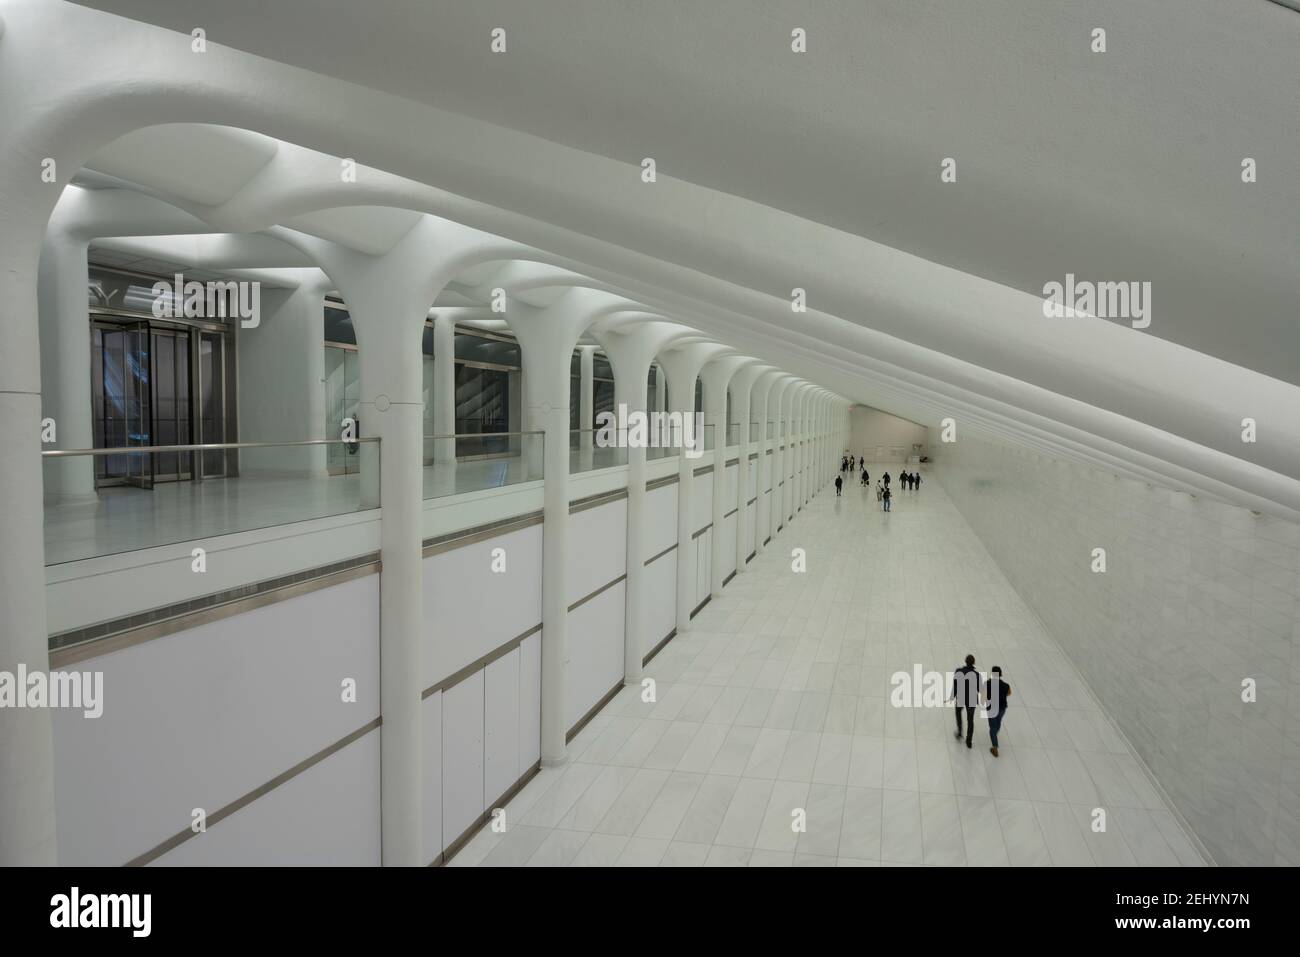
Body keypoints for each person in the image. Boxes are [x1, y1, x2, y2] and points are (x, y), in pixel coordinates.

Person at [949, 654, 979, 748]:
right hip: (972, 699)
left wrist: (953, 695)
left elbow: (955, 684)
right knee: (970, 720)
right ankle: (969, 741)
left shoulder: (959, 671)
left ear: (965, 661)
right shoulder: (977, 675)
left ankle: (959, 731)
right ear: (973, 663)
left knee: (958, 712)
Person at [983, 666, 1011, 757]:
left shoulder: (987, 684)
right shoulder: (1006, 685)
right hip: (1002, 708)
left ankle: (995, 747)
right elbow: (1009, 693)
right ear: (1000, 674)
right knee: (998, 722)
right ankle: (995, 733)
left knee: (992, 727)